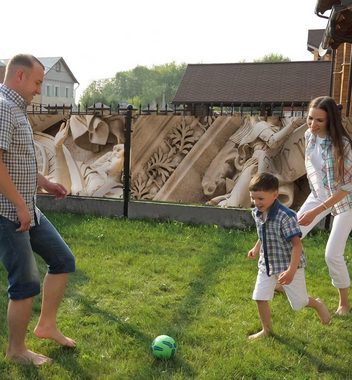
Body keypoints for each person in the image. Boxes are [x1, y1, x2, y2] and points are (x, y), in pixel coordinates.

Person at [0, 54, 76, 366]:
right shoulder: (3, 108)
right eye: (37, 82)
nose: (39, 90)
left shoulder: (15, 108)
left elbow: (17, 160)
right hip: (8, 212)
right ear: (19, 76)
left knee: (62, 260)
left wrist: (45, 183)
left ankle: (46, 325)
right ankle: (16, 350)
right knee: (25, 282)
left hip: (26, 208)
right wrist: (20, 207)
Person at [247, 172, 330, 340]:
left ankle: (318, 304)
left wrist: (291, 270)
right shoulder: (257, 212)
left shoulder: (286, 216)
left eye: (260, 199)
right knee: (260, 297)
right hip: (267, 264)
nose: (256, 203)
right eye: (253, 198)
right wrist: (256, 248)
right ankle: (266, 330)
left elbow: (297, 245)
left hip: (289, 265)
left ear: (275, 195)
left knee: (299, 303)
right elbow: (263, 232)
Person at [297, 96, 352, 316]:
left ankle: (344, 304)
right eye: (310, 118)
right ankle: (284, 282)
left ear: (331, 121)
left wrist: (316, 212)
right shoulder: (309, 135)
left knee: (332, 254)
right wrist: (316, 202)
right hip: (319, 195)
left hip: (346, 201)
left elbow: (347, 187)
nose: (313, 124)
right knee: (290, 233)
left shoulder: (343, 146)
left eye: (319, 120)